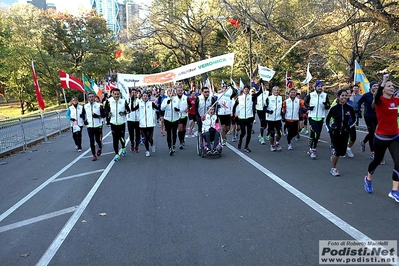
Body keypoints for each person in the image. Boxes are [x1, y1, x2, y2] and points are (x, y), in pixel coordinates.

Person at [363, 74, 399, 202]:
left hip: (395, 136)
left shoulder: (395, 100)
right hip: (381, 137)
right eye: (389, 86)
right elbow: (377, 94)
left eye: (392, 86)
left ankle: (394, 190)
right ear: (383, 89)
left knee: (398, 162)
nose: (391, 87)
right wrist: (383, 80)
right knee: (377, 161)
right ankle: (368, 178)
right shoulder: (379, 101)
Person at [325, 89, 356, 176]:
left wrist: (349, 127)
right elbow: (327, 120)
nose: (344, 97)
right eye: (342, 95)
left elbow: (354, 119)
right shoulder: (334, 108)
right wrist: (329, 129)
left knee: (342, 153)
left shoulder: (350, 108)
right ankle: (333, 168)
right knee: (338, 152)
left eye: (346, 95)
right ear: (338, 97)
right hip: (335, 132)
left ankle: (335, 155)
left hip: (345, 132)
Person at [304, 80, 331, 159]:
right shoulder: (311, 94)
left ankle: (310, 149)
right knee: (317, 133)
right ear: (315, 87)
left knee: (314, 134)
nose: (320, 88)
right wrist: (309, 107)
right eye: (318, 86)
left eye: (321, 86)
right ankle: (313, 149)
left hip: (321, 117)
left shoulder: (325, 95)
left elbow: (328, 106)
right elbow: (304, 103)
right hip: (312, 117)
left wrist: (326, 105)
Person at [232, 84, 262, 152]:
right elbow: (234, 106)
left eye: (248, 89)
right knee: (243, 133)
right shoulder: (239, 98)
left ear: (249, 91)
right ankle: (240, 140)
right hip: (241, 118)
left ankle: (246, 147)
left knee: (249, 133)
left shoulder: (252, 97)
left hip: (249, 117)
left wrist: (261, 84)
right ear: (243, 90)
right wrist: (234, 115)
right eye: (245, 89)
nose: (246, 90)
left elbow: (260, 92)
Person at [104, 88, 130, 162]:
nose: (116, 95)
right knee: (115, 139)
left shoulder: (123, 101)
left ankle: (123, 147)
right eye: (115, 94)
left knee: (122, 138)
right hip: (113, 123)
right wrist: (108, 114)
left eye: (118, 94)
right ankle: (116, 154)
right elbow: (106, 110)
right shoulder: (109, 101)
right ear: (112, 94)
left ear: (120, 94)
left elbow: (128, 110)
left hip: (121, 123)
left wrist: (124, 113)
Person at [130, 92, 158, 157]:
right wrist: (131, 101)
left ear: (148, 97)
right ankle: (147, 151)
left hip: (150, 124)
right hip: (142, 124)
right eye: (144, 96)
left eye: (146, 96)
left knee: (150, 138)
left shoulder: (151, 104)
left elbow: (158, 108)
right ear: (142, 97)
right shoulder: (140, 104)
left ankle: (152, 144)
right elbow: (132, 109)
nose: (145, 97)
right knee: (145, 138)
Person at [82, 92, 106, 161]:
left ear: (95, 97)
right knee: (91, 140)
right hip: (89, 126)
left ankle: (100, 147)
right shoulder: (85, 106)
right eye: (90, 97)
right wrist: (84, 120)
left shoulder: (99, 105)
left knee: (98, 140)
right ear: (88, 98)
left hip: (97, 125)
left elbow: (104, 115)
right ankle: (94, 155)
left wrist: (98, 116)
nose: (91, 98)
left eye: (92, 97)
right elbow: (82, 115)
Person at [358, 81, 378, 158]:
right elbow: (359, 102)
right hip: (368, 116)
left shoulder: (379, 95)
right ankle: (373, 152)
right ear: (371, 87)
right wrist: (359, 110)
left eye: (377, 86)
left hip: (376, 116)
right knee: (372, 133)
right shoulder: (366, 95)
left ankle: (363, 142)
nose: (376, 87)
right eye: (374, 86)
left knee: (373, 133)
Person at [161, 88, 180, 155]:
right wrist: (167, 103)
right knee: (169, 134)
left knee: (174, 133)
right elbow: (162, 108)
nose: (170, 93)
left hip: (175, 119)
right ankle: (170, 147)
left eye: (171, 92)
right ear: (167, 93)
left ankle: (174, 144)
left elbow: (180, 108)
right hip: (167, 119)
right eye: (169, 92)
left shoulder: (177, 99)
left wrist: (177, 109)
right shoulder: (165, 100)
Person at [265, 86, 283, 151]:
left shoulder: (280, 98)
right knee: (272, 134)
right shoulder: (268, 98)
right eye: (275, 90)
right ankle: (272, 145)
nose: (276, 91)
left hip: (278, 119)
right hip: (270, 119)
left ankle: (277, 142)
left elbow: (281, 108)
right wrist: (269, 111)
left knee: (280, 133)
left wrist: (282, 114)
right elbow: (264, 108)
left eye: (277, 90)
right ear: (272, 91)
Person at [254, 81, 269, 145]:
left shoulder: (267, 92)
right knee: (262, 122)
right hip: (259, 110)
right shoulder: (257, 93)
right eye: (261, 86)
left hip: (266, 109)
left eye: (264, 86)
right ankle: (262, 137)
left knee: (266, 124)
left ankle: (261, 134)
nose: (263, 87)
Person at [127, 89, 141, 153]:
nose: (134, 94)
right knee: (131, 134)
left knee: (137, 134)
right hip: (130, 120)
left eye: (135, 92)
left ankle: (136, 147)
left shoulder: (139, 101)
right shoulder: (128, 100)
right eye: (133, 92)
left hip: (137, 120)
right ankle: (132, 143)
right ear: (130, 93)